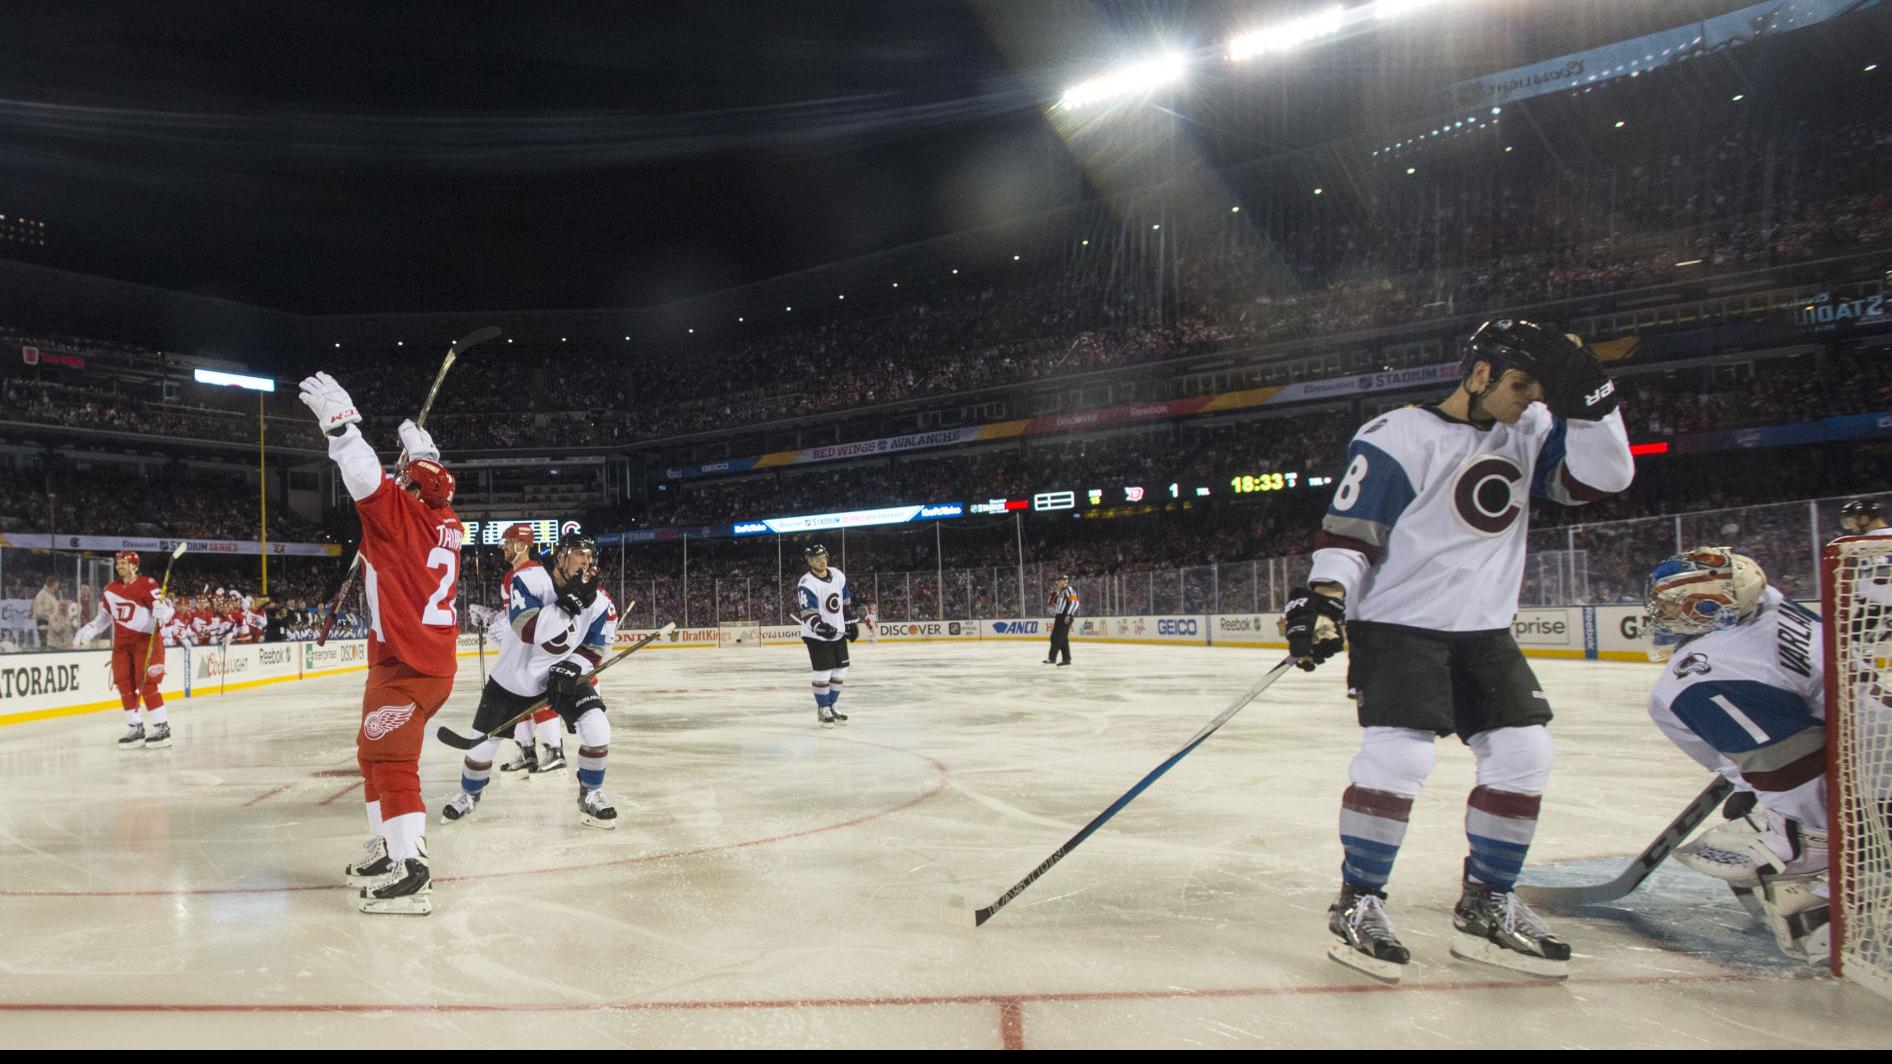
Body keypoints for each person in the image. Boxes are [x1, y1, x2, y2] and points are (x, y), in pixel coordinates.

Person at [1283, 319, 1635, 982]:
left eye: (1541, 388)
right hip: (1397, 625)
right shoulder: (1398, 435)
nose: (1532, 398)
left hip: (1482, 628)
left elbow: (1608, 478)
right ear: (1478, 374)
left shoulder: (1528, 433)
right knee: (1400, 755)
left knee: (1525, 753)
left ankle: (1487, 904)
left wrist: (1593, 401)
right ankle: (1357, 904)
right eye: (1520, 384)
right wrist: (1326, 599)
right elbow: (1351, 533)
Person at [300, 371, 463, 917]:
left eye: (407, 480)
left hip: (408, 664)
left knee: (392, 762)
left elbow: (367, 477)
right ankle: (387, 850)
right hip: (412, 660)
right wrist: (425, 455)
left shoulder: (401, 517)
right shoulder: (446, 520)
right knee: (371, 754)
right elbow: (435, 489)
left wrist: (344, 432)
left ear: (412, 488)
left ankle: (411, 871)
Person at [1642, 547, 1831, 962]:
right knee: (1745, 806)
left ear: (1717, 603)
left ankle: (1829, 900)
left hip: (1871, 782)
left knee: (1794, 849)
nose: (1664, 614)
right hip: (1867, 742)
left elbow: (1792, 774)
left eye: (1677, 604)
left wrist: (1803, 833)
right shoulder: (1768, 601)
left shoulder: (1698, 673)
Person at [442, 531, 620, 828]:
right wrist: (569, 604)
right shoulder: (530, 579)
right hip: (512, 680)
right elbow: (530, 631)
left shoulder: (600, 603)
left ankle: (591, 794)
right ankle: (468, 794)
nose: (585, 561)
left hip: (559, 676)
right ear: (561, 556)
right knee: (481, 749)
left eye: (590, 556)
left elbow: (595, 649)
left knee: (598, 729)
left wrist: (572, 667)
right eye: (578, 553)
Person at [73, 551, 176, 749]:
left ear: (134, 566)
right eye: (118, 563)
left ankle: (161, 727)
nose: (119, 566)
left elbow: (164, 608)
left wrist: (165, 612)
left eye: (123, 563)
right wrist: (90, 629)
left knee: (146, 683)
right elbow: (105, 617)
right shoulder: (110, 589)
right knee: (124, 684)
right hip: (121, 643)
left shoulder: (148, 584)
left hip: (145, 641)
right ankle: (135, 727)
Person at [796, 543, 851, 728]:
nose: (822, 561)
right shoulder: (806, 583)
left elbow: (845, 602)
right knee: (823, 672)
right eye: (817, 559)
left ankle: (833, 704)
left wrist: (849, 622)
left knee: (841, 670)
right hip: (816, 636)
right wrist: (820, 627)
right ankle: (822, 709)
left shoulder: (837, 575)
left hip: (837, 632)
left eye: (824, 557)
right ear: (810, 561)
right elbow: (808, 614)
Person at [1045, 575, 1079, 666]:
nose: (1057, 583)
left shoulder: (1069, 590)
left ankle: (1052, 659)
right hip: (1059, 617)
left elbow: (1075, 603)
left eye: (1059, 581)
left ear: (1064, 581)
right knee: (1060, 638)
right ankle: (1067, 659)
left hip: (1065, 617)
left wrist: (1068, 614)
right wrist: (1055, 592)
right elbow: (1051, 603)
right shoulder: (1060, 592)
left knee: (1058, 638)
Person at [30, 575, 67, 650]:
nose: (58, 586)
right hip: (45, 627)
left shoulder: (50, 595)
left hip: (51, 628)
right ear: (54, 584)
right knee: (47, 649)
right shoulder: (43, 595)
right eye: (57, 583)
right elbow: (41, 613)